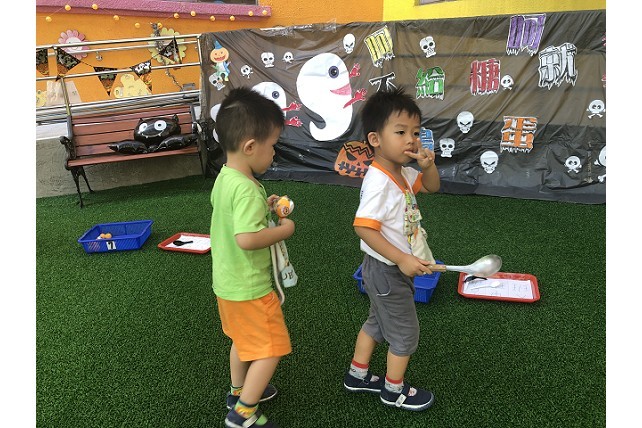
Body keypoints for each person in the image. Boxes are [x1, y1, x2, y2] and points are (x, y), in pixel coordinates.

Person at [343, 87, 440, 411]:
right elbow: (363, 227)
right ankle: (393, 390)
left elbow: (432, 186)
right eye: (400, 132)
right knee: (405, 334)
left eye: (416, 132)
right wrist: (401, 258)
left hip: (387, 268)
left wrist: (428, 166)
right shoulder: (380, 181)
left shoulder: (403, 172)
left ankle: (357, 375)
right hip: (387, 269)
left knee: (376, 322)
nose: (411, 140)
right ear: (375, 139)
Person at [210, 87, 295, 428]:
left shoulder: (228, 178)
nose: (274, 153)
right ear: (250, 147)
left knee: (243, 341)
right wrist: (284, 229)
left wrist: (265, 205)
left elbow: (237, 217)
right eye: (272, 145)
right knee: (271, 348)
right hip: (250, 288)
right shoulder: (246, 189)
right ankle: (243, 412)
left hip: (227, 284)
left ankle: (237, 391)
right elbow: (247, 238)